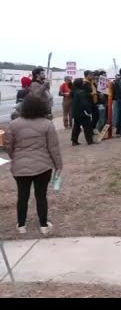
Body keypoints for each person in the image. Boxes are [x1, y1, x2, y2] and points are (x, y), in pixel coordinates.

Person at [4, 95, 62, 235]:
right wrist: (58, 165)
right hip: (43, 166)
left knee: (22, 196)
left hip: (20, 167)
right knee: (41, 196)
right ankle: (43, 225)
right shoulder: (47, 124)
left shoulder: (13, 124)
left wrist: (15, 158)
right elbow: (53, 148)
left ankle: (21, 225)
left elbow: (8, 146)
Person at [70, 78, 95, 145]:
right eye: (82, 82)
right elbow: (84, 103)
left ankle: (74, 141)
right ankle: (89, 141)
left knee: (76, 127)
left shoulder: (73, 91)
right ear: (80, 84)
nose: (84, 83)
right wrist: (88, 111)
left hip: (75, 111)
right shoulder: (82, 92)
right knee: (87, 126)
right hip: (83, 112)